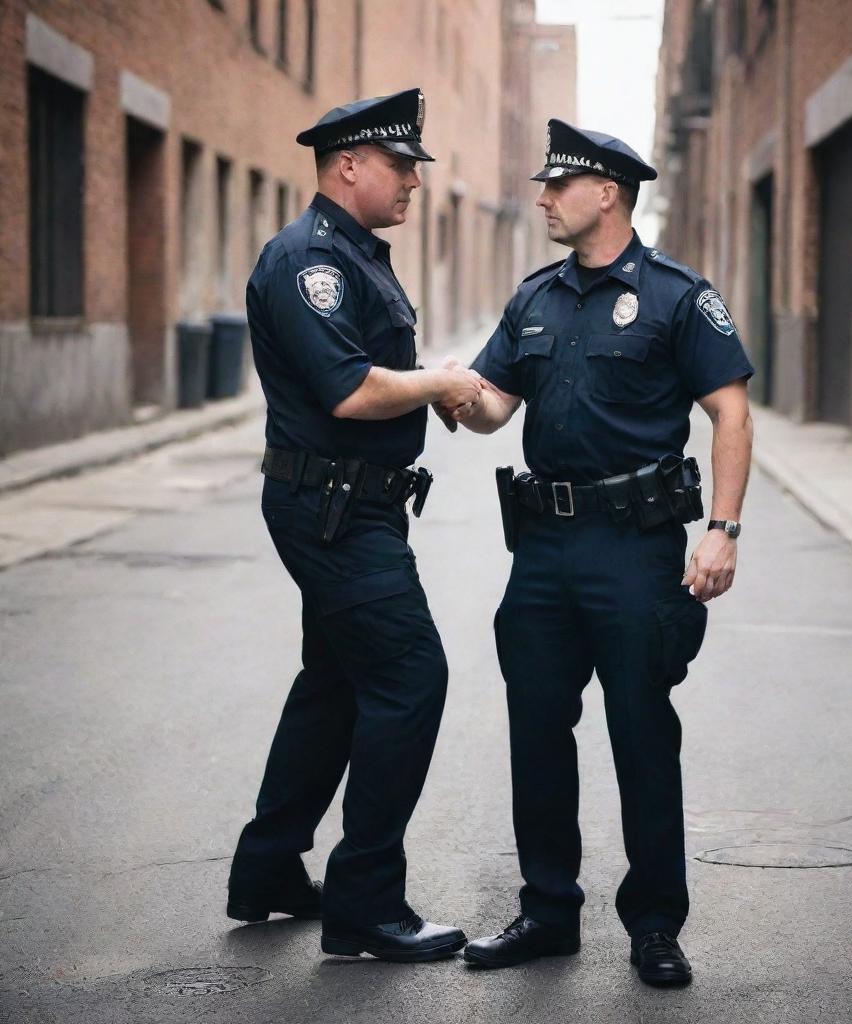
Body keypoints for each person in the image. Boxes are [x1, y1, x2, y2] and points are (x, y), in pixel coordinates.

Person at [445, 119, 754, 987]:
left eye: (557, 185)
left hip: (635, 549)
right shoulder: (535, 298)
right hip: (543, 550)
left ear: (607, 192)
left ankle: (655, 924)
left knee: (642, 737)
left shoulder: (676, 296)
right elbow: (495, 406)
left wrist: (721, 528)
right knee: (538, 732)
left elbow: (730, 412)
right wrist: (445, 394)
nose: (542, 197)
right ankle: (548, 913)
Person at [226, 88, 479, 963]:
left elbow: (373, 377)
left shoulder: (359, 255)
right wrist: (438, 382)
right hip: (331, 509)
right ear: (348, 167)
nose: (414, 181)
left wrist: (431, 395)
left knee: (335, 683)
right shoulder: (309, 261)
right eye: (401, 166)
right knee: (412, 676)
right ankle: (366, 902)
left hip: (354, 501)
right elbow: (349, 388)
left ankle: (266, 872)